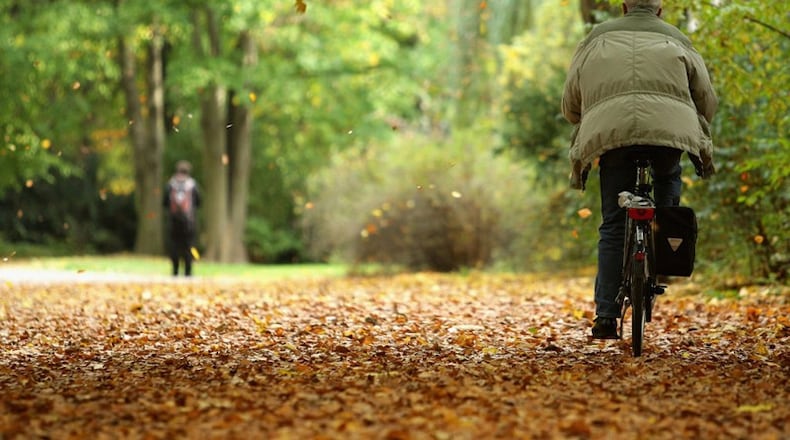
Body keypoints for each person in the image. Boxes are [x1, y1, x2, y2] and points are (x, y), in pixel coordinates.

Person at [561, 0, 717, 338]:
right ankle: (663, 240)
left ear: (623, 8)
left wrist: (587, 116)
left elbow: (571, 104)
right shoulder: (677, 40)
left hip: (612, 137)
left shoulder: (595, 39)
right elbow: (706, 101)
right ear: (659, 11)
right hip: (667, 137)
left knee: (614, 225)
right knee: (666, 190)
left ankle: (605, 315)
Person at [163, 160, 201, 277]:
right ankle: (188, 271)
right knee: (189, 246)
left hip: (174, 221)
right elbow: (199, 202)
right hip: (189, 222)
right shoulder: (192, 185)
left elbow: (164, 202)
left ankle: (175, 271)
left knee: (174, 245)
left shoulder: (170, 184)